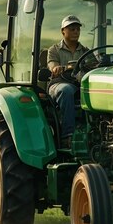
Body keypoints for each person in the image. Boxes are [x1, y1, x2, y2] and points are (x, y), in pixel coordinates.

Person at [47, 15, 89, 146]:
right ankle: (68, 136)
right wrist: (57, 68)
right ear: (63, 31)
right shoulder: (54, 50)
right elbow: (52, 65)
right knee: (66, 90)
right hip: (58, 84)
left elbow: (93, 65)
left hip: (79, 85)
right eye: (72, 29)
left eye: (77, 29)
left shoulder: (86, 51)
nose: (76, 32)